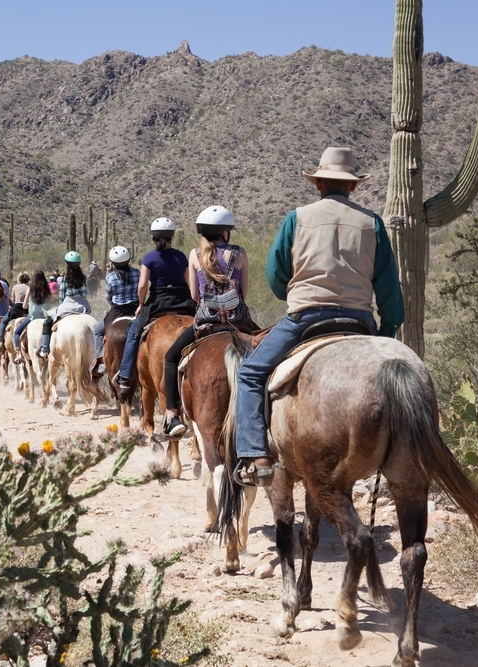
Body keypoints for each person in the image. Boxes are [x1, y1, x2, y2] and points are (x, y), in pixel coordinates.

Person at [232, 146, 404, 487]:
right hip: (360, 321)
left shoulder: (297, 218)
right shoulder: (373, 223)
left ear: (318, 184)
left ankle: (256, 456)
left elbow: (275, 273)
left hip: (306, 319)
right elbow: (389, 286)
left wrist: (291, 294)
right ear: (353, 186)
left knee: (250, 374)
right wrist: (388, 332)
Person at [161, 206, 257, 438]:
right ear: (226, 231)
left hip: (206, 322)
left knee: (171, 357)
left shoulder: (195, 254)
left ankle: (172, 414)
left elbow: (195, 296)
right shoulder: (240, 254)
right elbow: (244, 292)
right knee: (269, 348)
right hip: (238, 321)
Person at [114, 218, 194, 390]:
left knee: (134, 333)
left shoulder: (149, 258)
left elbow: (143, 285)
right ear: (172, 237)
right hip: (183, 300)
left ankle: (125, 375)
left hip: (158, 302)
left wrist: (141, 304)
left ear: (154, 239)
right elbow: (187, 279)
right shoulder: (181, 256)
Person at [92, 245, 140, 377]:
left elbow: (109, 297)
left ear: (112, 263)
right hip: (136, 309)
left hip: (117, 311)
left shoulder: (110, 277)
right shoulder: (137, 272)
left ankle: (100, 361)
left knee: (97, 331)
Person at [37, 251, 91, 358]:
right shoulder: (84, 278)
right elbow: (86, 292)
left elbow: (61, 298)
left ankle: (44, 348)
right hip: (83, 305)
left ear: (67, 264)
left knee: (47, 323)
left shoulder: (63, 279)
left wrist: (62, 307)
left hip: (68, 304)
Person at [13, 270, 52, 362]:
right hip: (45, 318)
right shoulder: (47, 289)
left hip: (32, 317)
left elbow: (24, 306)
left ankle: (19, 354)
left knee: (17, 332)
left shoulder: (30, 288)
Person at [0, 272, 31, 350]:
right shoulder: (29, 287)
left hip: (16, 309)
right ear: (28, 279)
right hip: (26, 310)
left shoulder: (15, 287)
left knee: (3, 321)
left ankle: (1, 340)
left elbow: (13, 301)